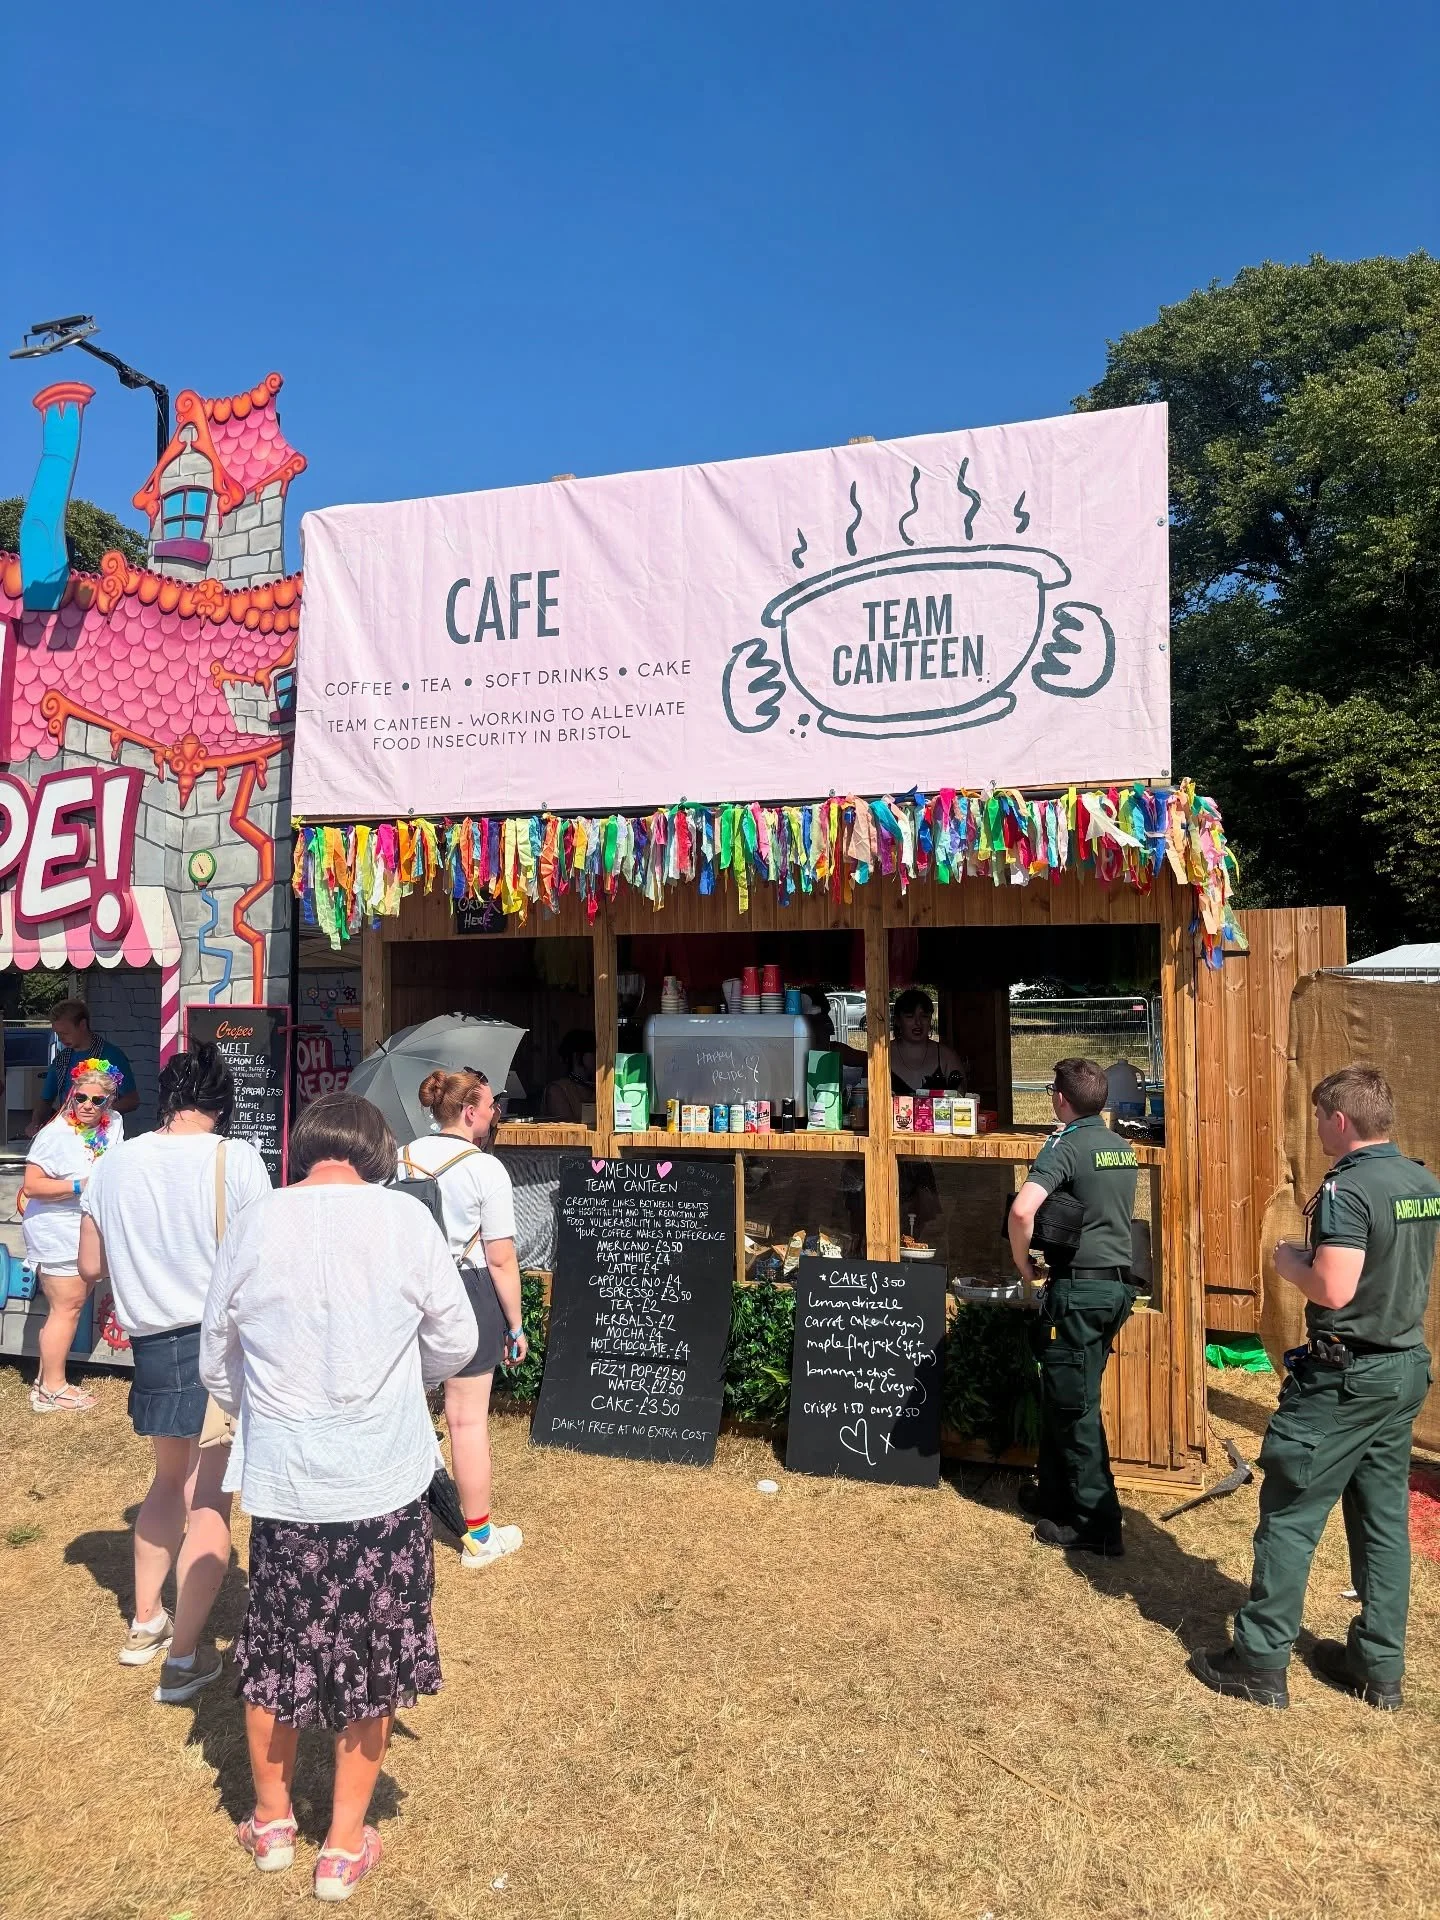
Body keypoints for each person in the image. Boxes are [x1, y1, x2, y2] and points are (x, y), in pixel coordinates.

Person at [201, 1093, 476, 1896]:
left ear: (307, 1149)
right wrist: (402, 1384)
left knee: (277, 1649)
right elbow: (456, 1339)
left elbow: (218, 1353)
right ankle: (344, 1845)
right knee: (376, 1654)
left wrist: (266, 1405)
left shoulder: (255, 1223)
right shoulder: (405, 1223)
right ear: (377, 1155)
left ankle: (274, 1823)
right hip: (382, 1474)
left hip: (288, 1474)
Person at [1191, 1067, 1440, 1713]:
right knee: (1383, 1522)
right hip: (1402, 1366)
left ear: (1338, 1120)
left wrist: (1289, 1262)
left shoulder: (1346, 1190)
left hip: (1344, 1375)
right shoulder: (1420, 1180)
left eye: (1317, 1118)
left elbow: (1334, 1287)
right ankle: (1377, 1667)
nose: (1315, 1129)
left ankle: (1258, 1659)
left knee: (1291, 1513)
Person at [79, 1042, 270, 1702]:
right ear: (219, 1103)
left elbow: (88, 1266)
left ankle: (145, 1622)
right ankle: (185, 1659)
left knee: (167, 1482)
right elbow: (264, 1258)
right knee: (211, 1496)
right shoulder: (234, 1159)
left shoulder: (115, 1161)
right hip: (218, 1343)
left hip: (151, 1344)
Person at [1006, 1057, 1139, 1556]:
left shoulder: (1066, 1145)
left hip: (1077, 1292)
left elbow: (1023, 1209)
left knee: (1074, 1406)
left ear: (1062, 1098)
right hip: (1114, 1289)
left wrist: (1023, 1265)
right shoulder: (1117, 1146)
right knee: (1066, 1392)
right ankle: (1057, 1497)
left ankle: (1097, 1524)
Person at [401, 1069, 528, 1569]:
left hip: (410, 1292)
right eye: (490, 1105)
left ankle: (400, 1517)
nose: (496, 1112)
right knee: (467, 1418)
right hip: (467, 1289)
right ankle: (478, 1536)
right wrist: (516, 1324)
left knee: (406, 1409)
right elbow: (500, 1258)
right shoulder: (485, 1169)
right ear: (470, 1111)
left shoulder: (402, 1155)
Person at [23, 1057, 125, 1413]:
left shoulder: (113, 1125)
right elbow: (32, 1186)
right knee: (66, 1308)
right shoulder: (55, 1135)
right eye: (81, 1097)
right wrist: (81, 1185)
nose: (88, 1106)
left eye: (97, 1100)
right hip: (57, 1231)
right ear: (71, 1094)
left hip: (90, 1229)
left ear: (109, 1102)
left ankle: (45, 1381)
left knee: (72, 1306)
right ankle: (51, 1389)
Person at [30, 998, 139, 1130]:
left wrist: (99, 1111)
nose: (61, 1038)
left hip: (102, 1135)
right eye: (58, 1034)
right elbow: (46, 1099)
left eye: (65, 1033)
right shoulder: (61, 1060)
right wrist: (35, 1123)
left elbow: (132, 1100)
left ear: (82, 1025)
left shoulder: (111, 1056)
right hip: (68, 1132)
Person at [889, 989, 962, 1092]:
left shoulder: (947, 1057)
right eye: (910, 1016)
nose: (918, 1023)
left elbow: (962, 1101)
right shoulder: (883, 1055)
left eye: (924, 1016)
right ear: (897, 1020)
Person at [541, 1029, 596, 1123]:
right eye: (592, 1051)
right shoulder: (557, 1089)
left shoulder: (599, 1086)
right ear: (577, 1055)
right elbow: (568, 1128)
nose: (597, 1056)